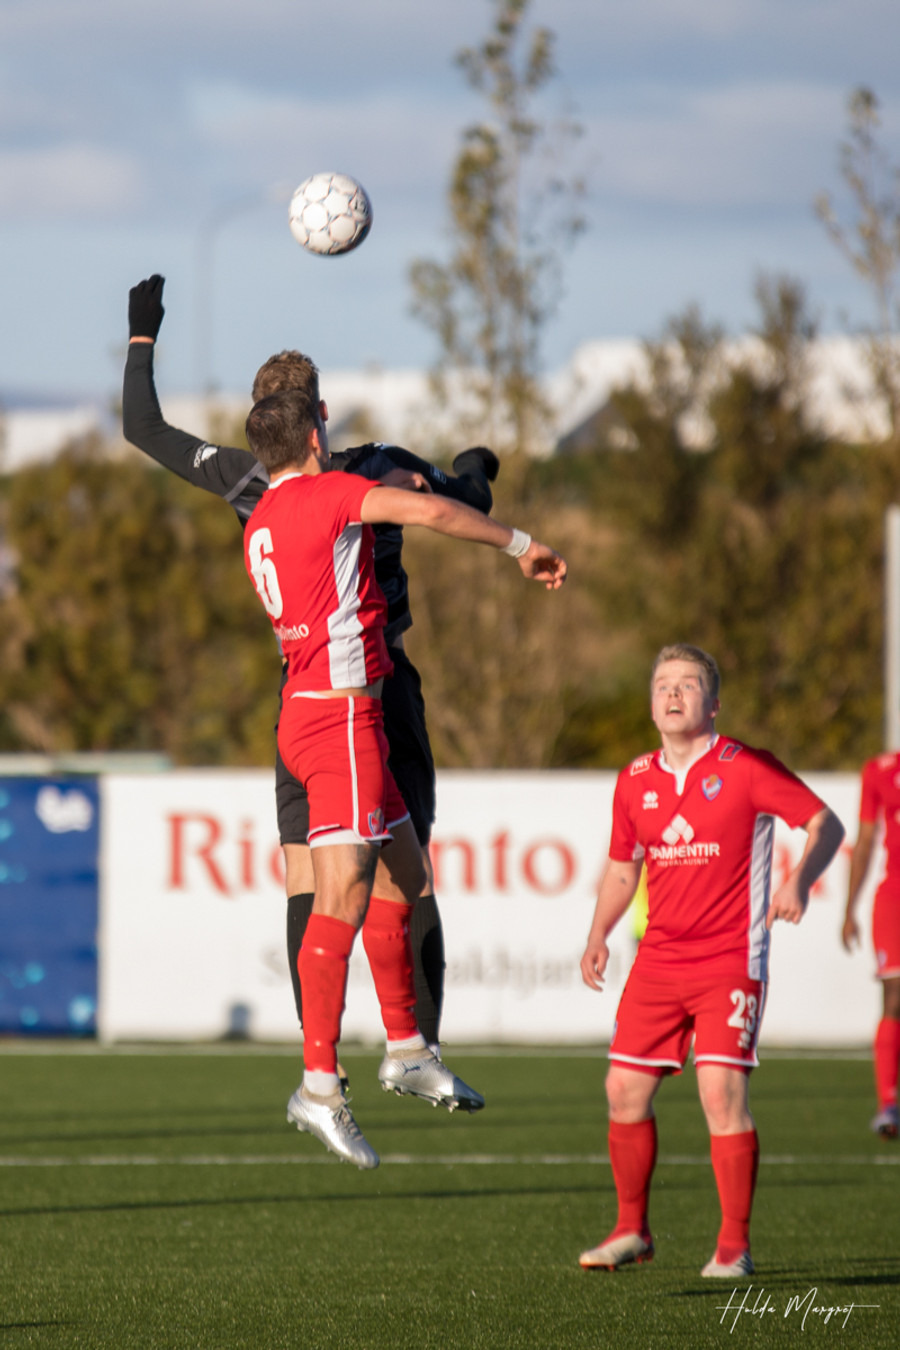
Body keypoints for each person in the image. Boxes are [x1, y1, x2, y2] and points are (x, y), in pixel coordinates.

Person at [122, 274, 499, 1056]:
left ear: (263, 421)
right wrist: (475, 467)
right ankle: (420, 1050)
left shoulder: (244, 477)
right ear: (319, 415)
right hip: (377, 688)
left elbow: (143, 427)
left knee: (304, 871)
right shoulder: (375, 465)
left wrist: (142, 336)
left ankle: (317, 1049)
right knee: (404, 872)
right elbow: (464, 500)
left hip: (299, 694)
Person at [242, 385, 566, 1166]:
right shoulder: (330, 494)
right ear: (315, 436)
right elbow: (432, 513)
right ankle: (319, 1085)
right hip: (340, 721)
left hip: (318, 715)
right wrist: (521, 545)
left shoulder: (260, 518)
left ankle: (407, 1049)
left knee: (407, 875)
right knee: (343, 897)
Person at [578, 644, 845, 1277]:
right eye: (663, 685)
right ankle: (631, 1230)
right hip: (659, 959)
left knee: (720, 1091)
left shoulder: (746, 767)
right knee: (622, 1089)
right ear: (651, 705)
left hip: (730, 959)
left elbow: (826, 824)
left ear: (714, 703)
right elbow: (623, 869)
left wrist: (800, 880)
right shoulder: (634, 779)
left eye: (689, 684)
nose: (673, 694)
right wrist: (598, 934)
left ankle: (733, 1245)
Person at [842, 752, 900, 1139]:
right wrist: (850, 909)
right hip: (895, 897)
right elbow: (864, 841)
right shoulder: (880, 771)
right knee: (894, 995)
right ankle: (888, 1104)